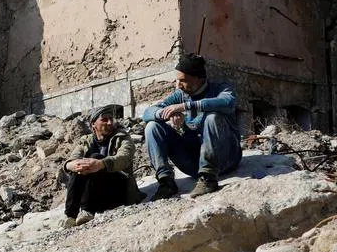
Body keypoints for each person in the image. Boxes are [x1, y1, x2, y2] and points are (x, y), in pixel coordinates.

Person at [142, 53, 242, 199]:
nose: (178, 85)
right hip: (193, 163)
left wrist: (186, 107)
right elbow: (147, 113)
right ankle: (166, 182)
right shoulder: (180, 94)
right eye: (177, 80)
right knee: (152, 126)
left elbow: (228, 103)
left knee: (212, 117)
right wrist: (167, 113)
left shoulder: (221, 88)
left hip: (225, 159)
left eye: (183, 80)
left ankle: (208, 179)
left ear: (199, 78)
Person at [61, 104, 142, 226]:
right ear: (94, 124)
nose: (110, 123)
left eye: (111, 119)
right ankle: (70, 216)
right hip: (96, 195)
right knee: (80, 165)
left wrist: (101, 164)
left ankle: (87, 211)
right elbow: (73, 158)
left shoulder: (122, 137)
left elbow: (125, 157)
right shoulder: (86, 140)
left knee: (95, 158)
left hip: (118, 190)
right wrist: (70, 165)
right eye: (104, 120)